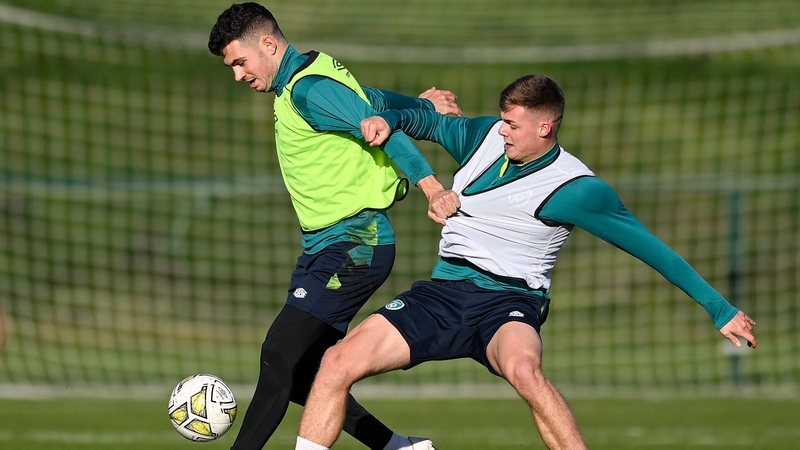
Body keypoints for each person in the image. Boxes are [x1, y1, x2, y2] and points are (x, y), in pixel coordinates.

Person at [294, 74, 758, 450]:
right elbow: (425, 122)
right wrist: (384, 117)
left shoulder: (577, 189)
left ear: (546, 127)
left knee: (524, 372)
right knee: (335, 362)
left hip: (509, 301)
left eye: (513, 124)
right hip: (443, 294)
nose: (501, 130)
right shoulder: (482, 137)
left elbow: (652, 249)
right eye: (501, 120)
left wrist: (720, 309)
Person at [207, 3, 462, 450]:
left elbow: (384, 131)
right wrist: (422, 105)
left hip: (354, 244)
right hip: (328, 248)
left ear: (268, 44)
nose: (238, 75)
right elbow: (374, 101)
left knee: (278, 356)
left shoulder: (308, 91)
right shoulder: (310, 81)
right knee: (305, 370)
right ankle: (399, 447)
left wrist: (431, 187)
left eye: (240, 62)